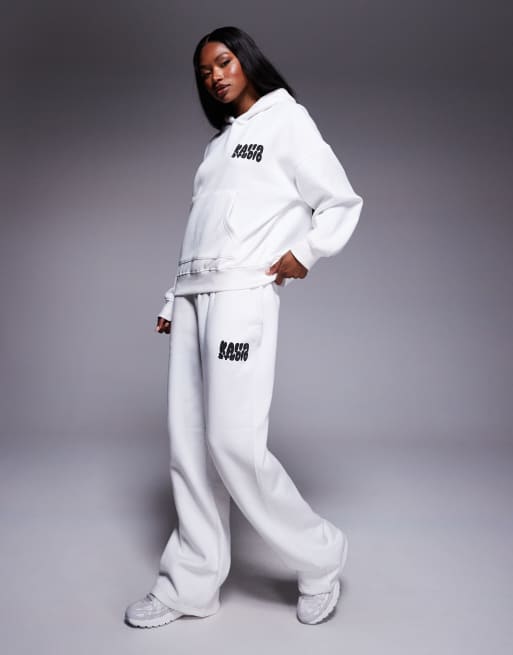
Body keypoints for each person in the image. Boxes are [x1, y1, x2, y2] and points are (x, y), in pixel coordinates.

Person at [125, 25, 363, 628]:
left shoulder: (287, 121)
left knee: (232, 443)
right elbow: (201, 227)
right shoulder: (217, 148)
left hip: (241, 295)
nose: (215, 77)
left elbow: (340, 200)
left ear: (247, 60)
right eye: (205, 71)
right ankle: (189, 585)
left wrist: (306, 252)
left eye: (224, 62)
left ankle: (320, 556)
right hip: (193, 296)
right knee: (189, 447)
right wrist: (174, 294)